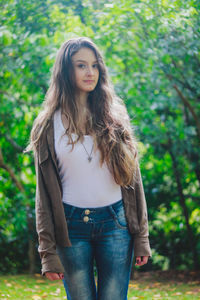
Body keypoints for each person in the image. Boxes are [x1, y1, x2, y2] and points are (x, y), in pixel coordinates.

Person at [25, 36, 151, 300]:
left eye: (94, 65)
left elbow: (133, 182)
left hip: (116, 224)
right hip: (70, 227)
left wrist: (141, 237)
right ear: (65, 70)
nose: (90, 72)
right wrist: (47, 253)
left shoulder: (115, 114)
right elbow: (44, 196)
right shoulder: (48, 124)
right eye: (81, 65)